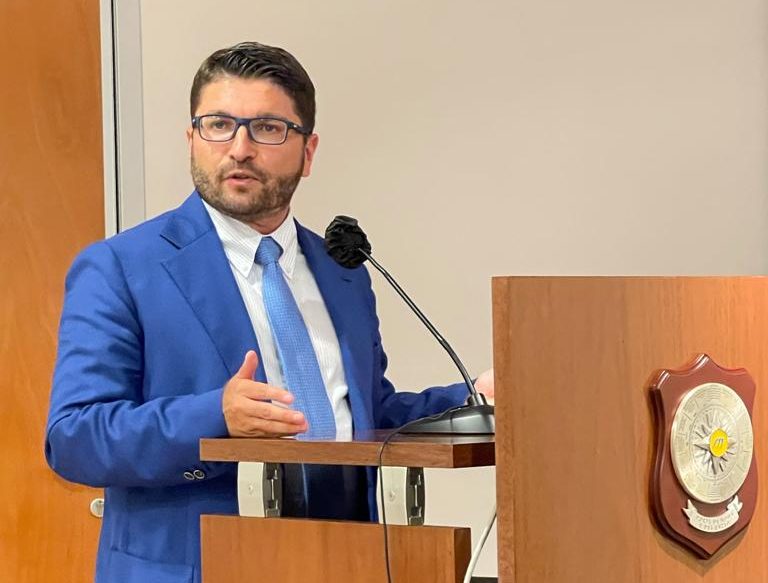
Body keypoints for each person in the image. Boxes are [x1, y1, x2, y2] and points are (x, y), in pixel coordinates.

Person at [45, 41, 494, 583]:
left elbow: (366, 415)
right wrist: (216, 417)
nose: (239, 149)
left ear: (308, 151)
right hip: (197, 568)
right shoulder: (121, 267)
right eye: (218, 125)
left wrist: (473, 400)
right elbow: (74, 438)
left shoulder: (343, 270)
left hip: (346, 563)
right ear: (192, 139)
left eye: (267, 128)